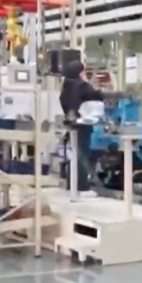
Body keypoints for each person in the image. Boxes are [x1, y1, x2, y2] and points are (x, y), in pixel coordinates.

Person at [58, 60, 103, 191]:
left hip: (72, 124)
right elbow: (95, 96)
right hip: (83, 123)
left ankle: (72, 184)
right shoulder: (82, 86)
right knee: (82, 154)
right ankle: (81, 186)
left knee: (74, 153)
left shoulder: (66, 85)